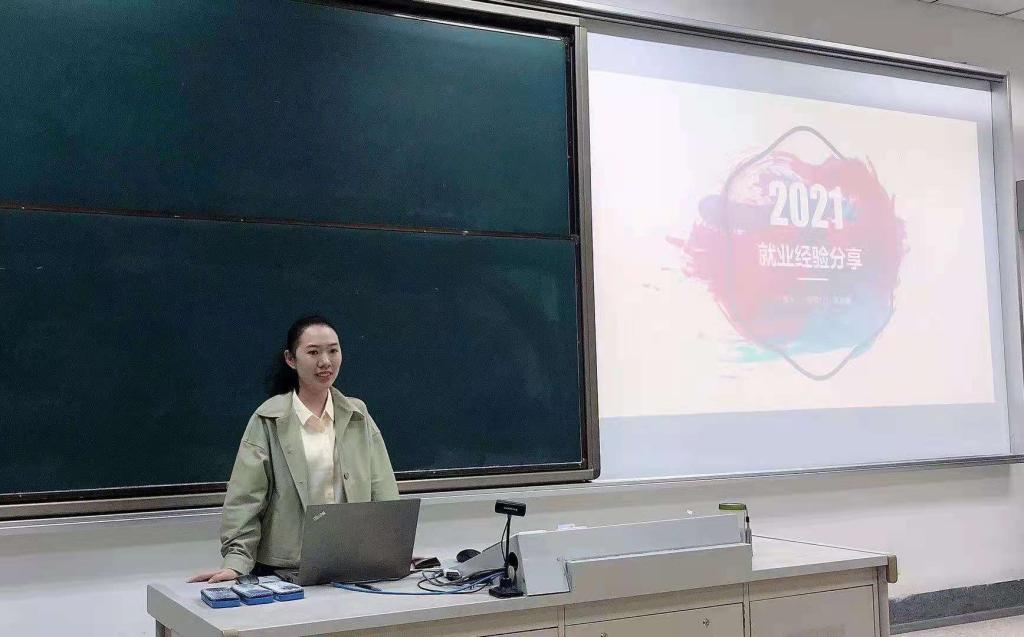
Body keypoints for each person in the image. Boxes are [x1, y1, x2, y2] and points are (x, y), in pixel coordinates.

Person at [189, 315, 399, 583]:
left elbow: (383, 489)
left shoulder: (358, 415)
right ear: (291, 359)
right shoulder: (268, 419)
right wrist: (236, 563)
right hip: (284, 570)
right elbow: (245, 500)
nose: (325, 361)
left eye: (333, 351)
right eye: (313, 352)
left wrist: (393, 550)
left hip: (352, 563)